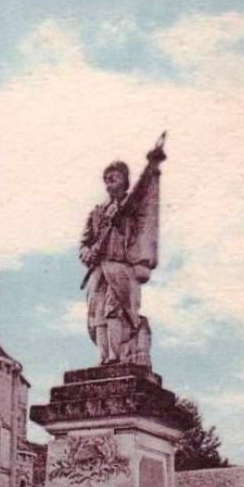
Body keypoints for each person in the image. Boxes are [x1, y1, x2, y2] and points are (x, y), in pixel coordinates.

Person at [79, 139, 165, 366]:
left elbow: (141, 190)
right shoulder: (97, 212)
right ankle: (103, 357)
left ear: (124, 179)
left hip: (120, 268)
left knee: (113, 311)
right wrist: (87, 253)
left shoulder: (129, 208)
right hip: (99, 270)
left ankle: (115, 358)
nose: (109, 182)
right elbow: (84, 242)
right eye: (106, 178)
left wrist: (151, 165)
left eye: (113, 177)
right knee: (97, 314)